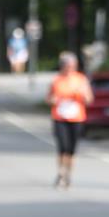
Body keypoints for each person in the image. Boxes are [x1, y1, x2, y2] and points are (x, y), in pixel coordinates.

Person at [47, 52, 93, 188]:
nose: (69, 69)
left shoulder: (81, 79)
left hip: (76, 118)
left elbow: (89, 99)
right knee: (63, 147)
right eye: (67, 66)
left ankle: (68, 175)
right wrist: (53, 100)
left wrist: (83, 95)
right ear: (62, 66)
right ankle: (60, 172)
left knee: (71, 149)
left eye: (72, 66)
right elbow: (49, 98)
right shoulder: (56, 80)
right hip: (59, 117)